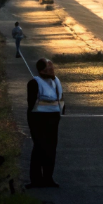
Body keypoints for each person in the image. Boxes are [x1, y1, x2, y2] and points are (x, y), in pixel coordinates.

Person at [26, 58, 63, 188]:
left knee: (51, 149)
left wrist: (60, 114)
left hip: (53, 119)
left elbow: (61, 99)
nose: (52, 69)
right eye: (49, 67)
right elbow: (30, 105)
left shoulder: (56, 81)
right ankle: (36, 180)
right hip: (38, 119)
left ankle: (48, 178)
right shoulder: (34, 83)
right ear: (42, 70)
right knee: (39, 148)